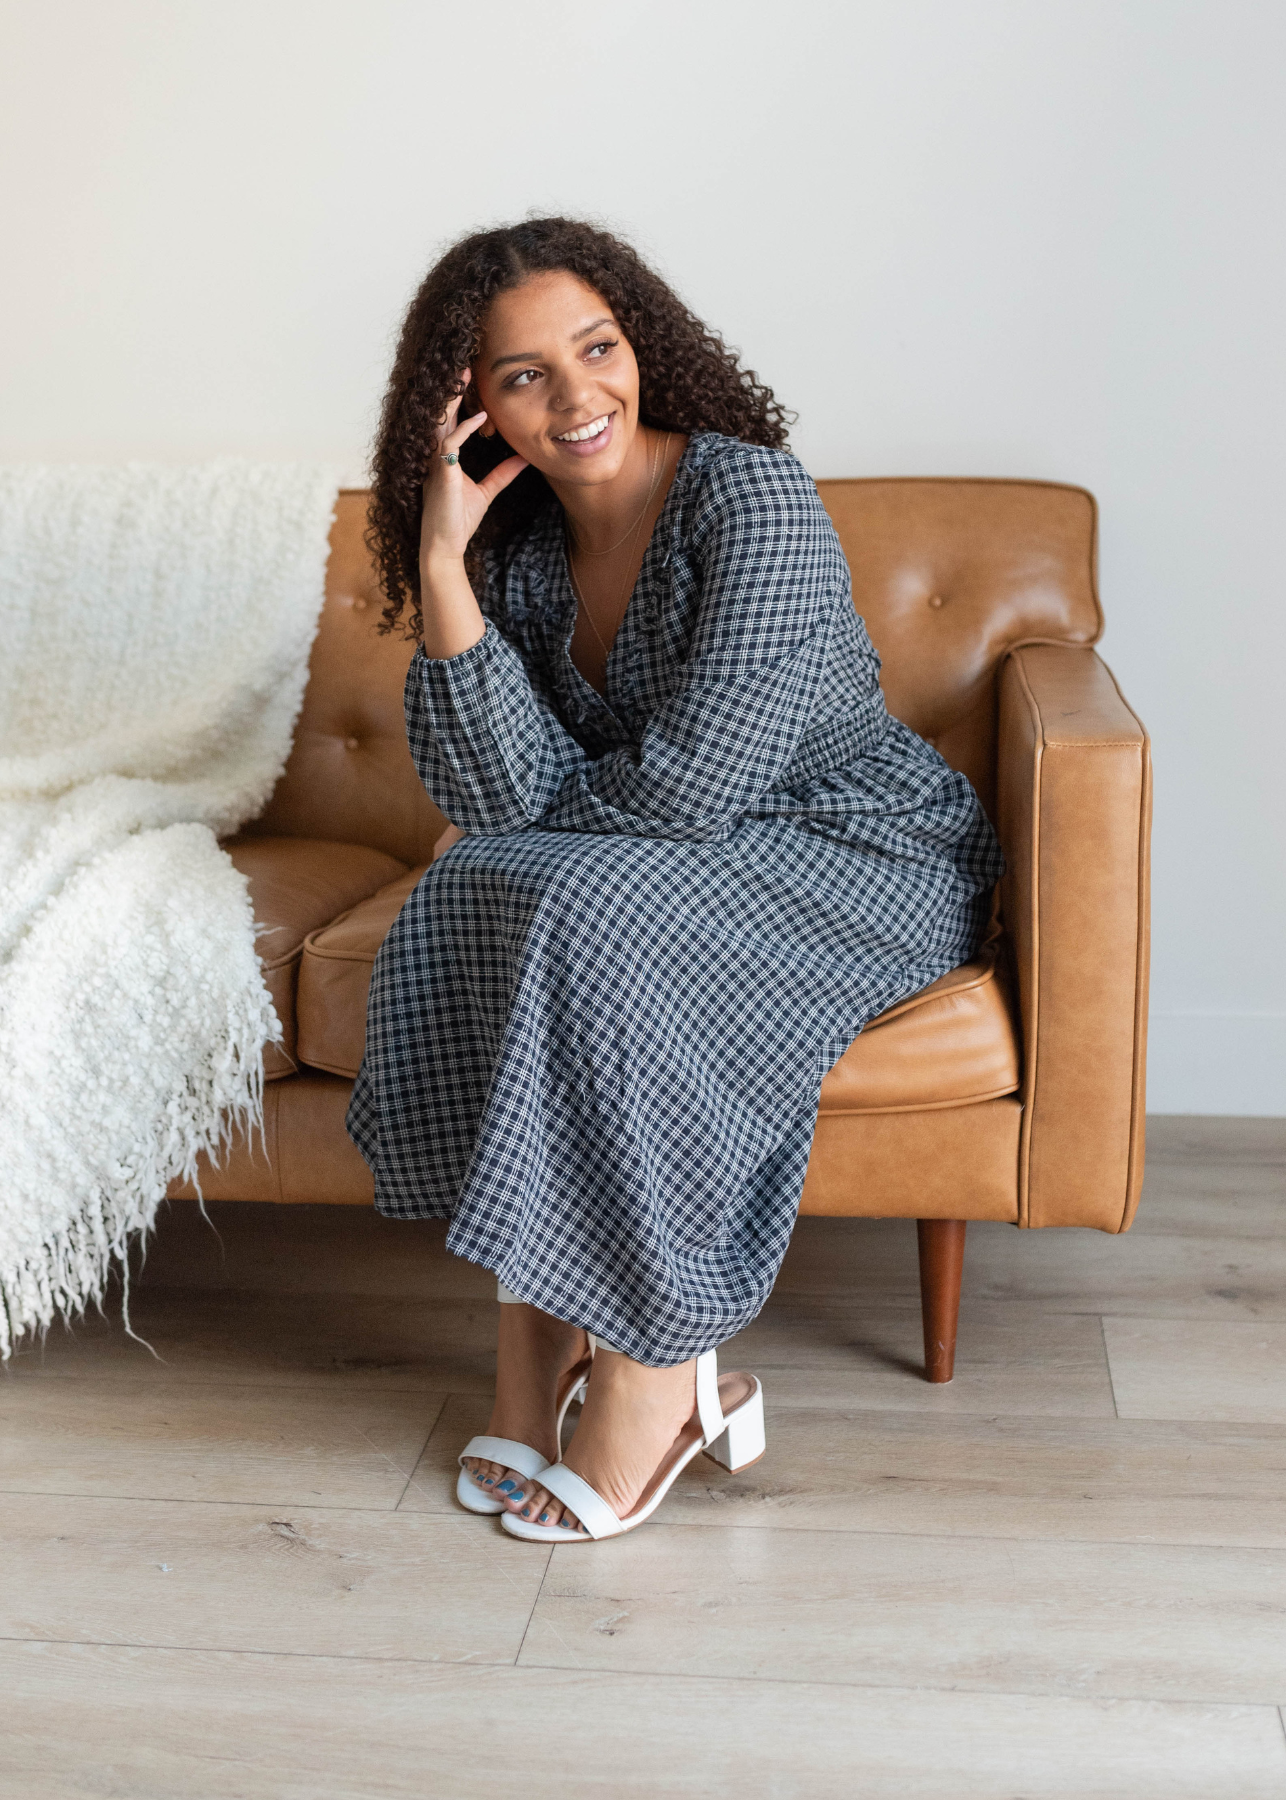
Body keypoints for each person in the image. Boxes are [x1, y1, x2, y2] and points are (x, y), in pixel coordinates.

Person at [347, 217, 1003, 1543]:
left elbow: (688, 789)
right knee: (470, 892)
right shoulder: (515, 558)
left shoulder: (748, 495)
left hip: (859, 850)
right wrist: (440, 561)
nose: (577, 395)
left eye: (596, 348)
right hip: (679, 868)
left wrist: (528, 827)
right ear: (470, 407)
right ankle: (533, 1367)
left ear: (643, 342)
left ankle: (655, 1367)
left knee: (561, 893)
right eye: (524, 375)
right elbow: (488, 803)